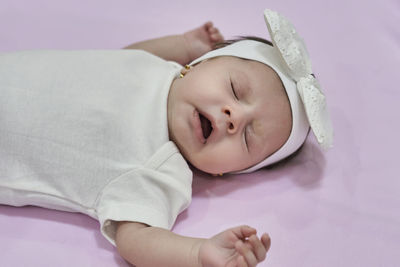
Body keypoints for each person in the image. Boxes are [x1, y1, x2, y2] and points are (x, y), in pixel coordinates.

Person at [0, 9, 332, 267]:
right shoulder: (158, 70)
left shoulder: (162, 168)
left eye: (247, 137)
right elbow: (124, 57)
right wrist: (185, 44)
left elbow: (135, 238)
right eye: (234, 89)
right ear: (196, 66)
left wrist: (197, 252)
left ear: (224, 172)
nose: (234, 117)